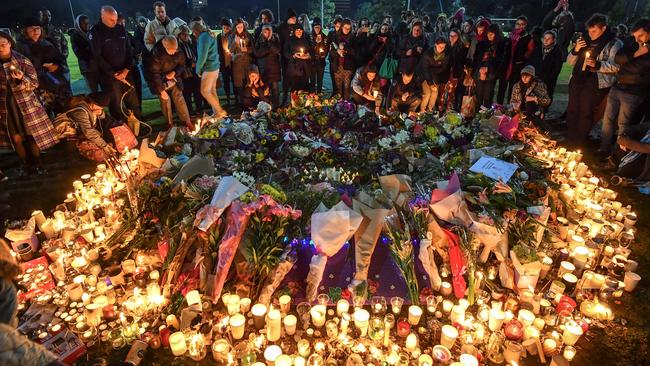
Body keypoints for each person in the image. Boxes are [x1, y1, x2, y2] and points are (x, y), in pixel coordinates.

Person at [0, 31, 58, 176]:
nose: (0, 48)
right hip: (7, 107)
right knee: (16, 138)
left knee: (31, 135)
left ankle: (38, 163)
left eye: (3, 44)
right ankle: (25, 164)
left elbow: (34, 84)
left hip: (26, 104)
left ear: (10, 43)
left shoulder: (21, 60)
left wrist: (21, 80)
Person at [566, 13, 622, 148]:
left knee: (585, 111)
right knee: (573, 109)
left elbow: (617, 66)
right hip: (578, 79)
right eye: (589, 31)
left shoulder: (613, 43)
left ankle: (579, 142)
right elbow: (569, 62)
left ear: (603, 28)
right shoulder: (584, 40)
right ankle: (570, 138)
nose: (591, 34)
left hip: (595, 83)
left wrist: (598, 65)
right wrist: (576, 50)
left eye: (594, 31)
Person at [598, 19, 650, 156]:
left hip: (634, 92)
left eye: (641, 35)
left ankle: (616, 155)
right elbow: (617, 58)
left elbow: (638, 69)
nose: (637, 39)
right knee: (608, 119)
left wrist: (626, 63)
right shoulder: (633, 43)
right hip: (618, 86)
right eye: (635, 36)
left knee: (624, 125)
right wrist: (636, 54)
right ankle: (603, 148)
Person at [89, 6, 141, 121]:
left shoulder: (120, 29)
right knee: (116, 103)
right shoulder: (95, 32)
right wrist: (113, 73)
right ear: (102, 16)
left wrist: (127, 69)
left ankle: (138, 124)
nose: (114, 22)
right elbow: (97, 56)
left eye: (115, 19)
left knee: (133, 100)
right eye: (111, 19)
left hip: (126, 73)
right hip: (109, 77)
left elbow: (129, 50)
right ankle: (122, 129)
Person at [17, 17, 71, 114]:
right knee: (45, 114)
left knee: (62, 110)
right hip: (38, 86)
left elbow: (59, 59)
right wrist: (43, 67)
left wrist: (56, 65)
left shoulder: (47, 42)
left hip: (55, 83)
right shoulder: (21, 47)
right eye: (32, 28)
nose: (35, 31)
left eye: (38, 28)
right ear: (25, 30)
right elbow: (23, 66)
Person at [144, 36, 191, 129]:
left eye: (175, 50)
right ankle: (170, 124)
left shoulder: (178, 51)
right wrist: (161, 91)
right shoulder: (156, 54)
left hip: (174, 79)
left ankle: (187, 121)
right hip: (160, 80)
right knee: (165, 102)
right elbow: (154, 74)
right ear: (164, 46)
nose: (174, 52)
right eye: (171, 50)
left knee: (179, 99)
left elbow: (182, 64)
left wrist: (175, 72)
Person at [62, 92, 118, 161]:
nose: (101, 109)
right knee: (100, 153)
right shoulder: (80, 112)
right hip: (70, 139)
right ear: (93, 103)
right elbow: (89, 132)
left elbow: (104, 119)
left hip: (81, 134)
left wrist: (100, 114)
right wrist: (104, 146)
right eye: (101, 107)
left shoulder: (90, 108)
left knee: (106, 143)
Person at [191, 20, 228, 119]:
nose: (193, 34)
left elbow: (202, 56)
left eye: (193, 31)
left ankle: (220, 111)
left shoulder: (203, 37)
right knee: (212, 91)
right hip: (215, 67)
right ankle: (217, 113)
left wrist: (198, 69)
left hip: (209, 69)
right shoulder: (209, 34)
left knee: (204, 91)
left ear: (195, 30)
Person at [498, 16, 535, 105]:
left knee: (513, 88)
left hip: (517, 66)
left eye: (522, 24)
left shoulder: (528, 38)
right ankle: (498, 106)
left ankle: (509, 107)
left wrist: (522, 58)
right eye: (518, 24)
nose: (520, 26)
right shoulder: (510, 35)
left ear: (525, 25)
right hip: (506, 65)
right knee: (501, 88)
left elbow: (530, 51)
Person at [473, 24, 507, 108]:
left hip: (491, 74)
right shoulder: (482, 44)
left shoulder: (500, 46)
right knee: (479, 95)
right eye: (488, 33)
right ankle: (477, 114)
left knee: (488, 96)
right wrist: (480, 69)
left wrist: (488, 69)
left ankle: (485, 114)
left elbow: (500, 61)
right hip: (480, 73)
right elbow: (476, 58)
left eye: (492, 33)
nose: (489, 35)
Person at [176, 25, 204, 115]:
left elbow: (196, 53)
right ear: (179, 35)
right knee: (187, 93)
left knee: (197, 91)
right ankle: (190, 111)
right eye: (184, 34)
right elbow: (179, 59)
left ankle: (199, 109)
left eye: (187, 34)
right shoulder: (177, 45)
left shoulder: (191, 42)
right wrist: (189, 64)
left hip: (195, 70)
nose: (186, 36)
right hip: (185, 72)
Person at [418, 36, 450, 113]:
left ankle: (430, 109)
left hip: (436, 75)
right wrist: (430, 83)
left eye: (443, 47)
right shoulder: (428, 53)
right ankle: (422, 110)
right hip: (424, 76)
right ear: (435, 44)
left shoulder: (445, 54)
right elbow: (425, 69)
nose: (442, 49)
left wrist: (433, 70)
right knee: (427, 93)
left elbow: (443, 67)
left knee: (435, 92)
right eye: (440, 47)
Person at [254, 24, 282, 108]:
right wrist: (268, 49)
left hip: (274, 68)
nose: (266, 33)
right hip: (263, 68)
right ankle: (266, 106)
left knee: (275, 89)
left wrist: (269, 41)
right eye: (264, 31)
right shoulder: (259, 40)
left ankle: (276, 106)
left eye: (268, 31)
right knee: (265, 89)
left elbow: (277, 50)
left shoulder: (275, 39)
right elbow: (257, 53)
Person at [530, 30, 563, 100]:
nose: (546, 40)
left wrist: (549, 78)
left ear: (554, 40)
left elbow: (557, 68)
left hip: (548, 81)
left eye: (549, 38)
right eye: (544, 38)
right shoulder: (537, 49)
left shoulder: (557, 52)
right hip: (535, 78)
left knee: (546, 97)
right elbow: (531, 62)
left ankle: (544, 110)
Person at [71, 14, 99, 93]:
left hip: (98, 66)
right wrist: (91, 58)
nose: (86, 25)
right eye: (84, 23)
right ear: (78, 24)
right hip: (87, 68)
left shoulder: (92, 33)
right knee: (93, 91)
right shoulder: (75, 36)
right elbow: (79, 53)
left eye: (87, 22)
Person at [329, 19, 356, 100]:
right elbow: (331, 52)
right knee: (338, 88)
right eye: (345, 28)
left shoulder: (353, 38)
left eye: (349, 28)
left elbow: (355, 53)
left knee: (347, 87)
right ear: (342, 27)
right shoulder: (335, 36)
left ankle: (346, 105)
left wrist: (346, 49)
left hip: (348, 66)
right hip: (337, 65)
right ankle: (339, 106)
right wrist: (337, 51)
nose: (346, 30)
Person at [229, 18, 254, 104]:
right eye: (238, 27)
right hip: (237, 64)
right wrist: (234, 42)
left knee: (248, 83)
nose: (240, 29)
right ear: (235, 27)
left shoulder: (248, 35)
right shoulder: (232, 36)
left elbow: (254, 49)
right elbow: (230, 50)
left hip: (247, 63)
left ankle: (249, 103)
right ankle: (241, 104)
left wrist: (247, 49)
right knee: (239, 85)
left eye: (241, 27)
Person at [277, 8, 298, 106]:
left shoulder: (298, 26)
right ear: (289, 18)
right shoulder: (282, 27)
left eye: (295, 18)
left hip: (296, 57)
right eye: (293, 18)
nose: (295, 19)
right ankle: (285, 97)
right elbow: (279, 41)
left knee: (295, 78)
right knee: (285, 78)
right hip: (285, 57)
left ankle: (294, 99)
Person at [38, 8, 68, 73]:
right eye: (45, 15)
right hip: (44, 68)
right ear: (40, 16)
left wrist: (63, 58)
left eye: (49, 15)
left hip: (60, 65)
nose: (47, 17)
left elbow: (65, 45)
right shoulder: (36, 32)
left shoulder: (57, 30)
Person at [284, 24, 311, 93]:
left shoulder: (306, 39)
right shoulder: (289, 40)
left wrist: (308, 55)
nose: (299, 32)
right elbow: (285, 52)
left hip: (305, 67)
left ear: (302, 31)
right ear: (294, 31)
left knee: (304, 88)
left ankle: (303, 102)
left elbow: (311, 50)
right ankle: (294, 102)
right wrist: (293, 55)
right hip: (294, 67)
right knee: (295, 88)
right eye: (297, 30)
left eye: (300, 30)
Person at [216, 18, 236, 106]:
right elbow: (219, 50)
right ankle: (228, 98)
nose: (225, 30)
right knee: (226, 81)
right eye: (224, 28)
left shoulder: (233, 35)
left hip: (233, 62)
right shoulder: (219, 37)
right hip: (224, 63)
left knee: (235, 81)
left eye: (227, 28)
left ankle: (236, 97)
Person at [449, 28, 469, 111]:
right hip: (449, 73)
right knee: (450, 92)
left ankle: (457, 109)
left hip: (458, 73)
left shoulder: (462, 47)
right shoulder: (448, 45)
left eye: (455, 36)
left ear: (458, 36)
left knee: (458, 92)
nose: (452, 38)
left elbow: (462, 61)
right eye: (451, 36)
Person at [309, 18, 327, 94]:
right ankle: (312, 94)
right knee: (312, 79)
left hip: (321, 61)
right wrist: (315, 43)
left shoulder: (324, 35)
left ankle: (319, 93)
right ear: (313, 27)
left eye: (319, 27)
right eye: (315, 27)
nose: (317, 29)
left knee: (320, 79)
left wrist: (324, 54)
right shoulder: (309, 36)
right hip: (312, 62)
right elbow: (309, 49)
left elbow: (327, 47)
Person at [327, 17, 343, 96]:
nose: (338, 28)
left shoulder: (345, 34)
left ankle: (341, 94)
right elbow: (328, 46)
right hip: (333, 59)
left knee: (341, 78)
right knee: (333, 76)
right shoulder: (331, 33)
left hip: (342, 60)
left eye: (340, 26)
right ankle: (334, 92)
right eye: (336, 26)